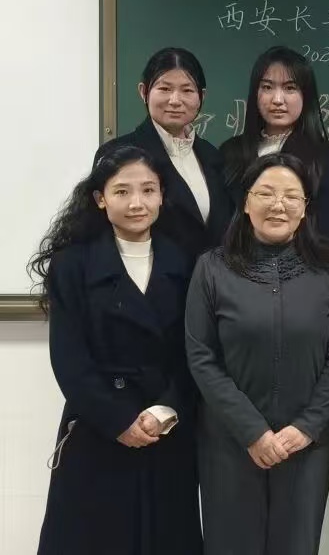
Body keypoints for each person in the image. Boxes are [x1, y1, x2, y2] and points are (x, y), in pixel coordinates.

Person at [31, 145, 201, 555]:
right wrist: (119, 420)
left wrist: (165, 409)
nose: (137, 203)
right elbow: (69, 359)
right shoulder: (72, 264)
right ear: (100, 198)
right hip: (98, 426)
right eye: (122, 191)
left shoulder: (188, 261)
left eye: (148, 190)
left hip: (166, 426)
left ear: (162, 195)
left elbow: (196, 350)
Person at [185, 153, 329, 555]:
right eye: (266, 193)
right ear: (246, 202)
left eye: (291, 196)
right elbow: (201, 356)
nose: (278, 204)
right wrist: (252, 432)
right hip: (230, 441)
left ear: (305, 209)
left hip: (305, 444)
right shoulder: (212, 268)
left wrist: (307, 426)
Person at [95, 47, 233, 261]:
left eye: (187, 90)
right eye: (165, 88)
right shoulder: (117, 153)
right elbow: (99, 233)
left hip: (212, 278)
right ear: (144, 91)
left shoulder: (213, 155)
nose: (175, 100)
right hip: (151, 277)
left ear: (201, 96)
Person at [220, 45, 329, 246]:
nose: (277, 100)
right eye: (267, 87)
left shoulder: (327, 157)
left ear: (305, 95)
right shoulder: (230, 151)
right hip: (235, 262)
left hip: (304, 263)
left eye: (290, 88)